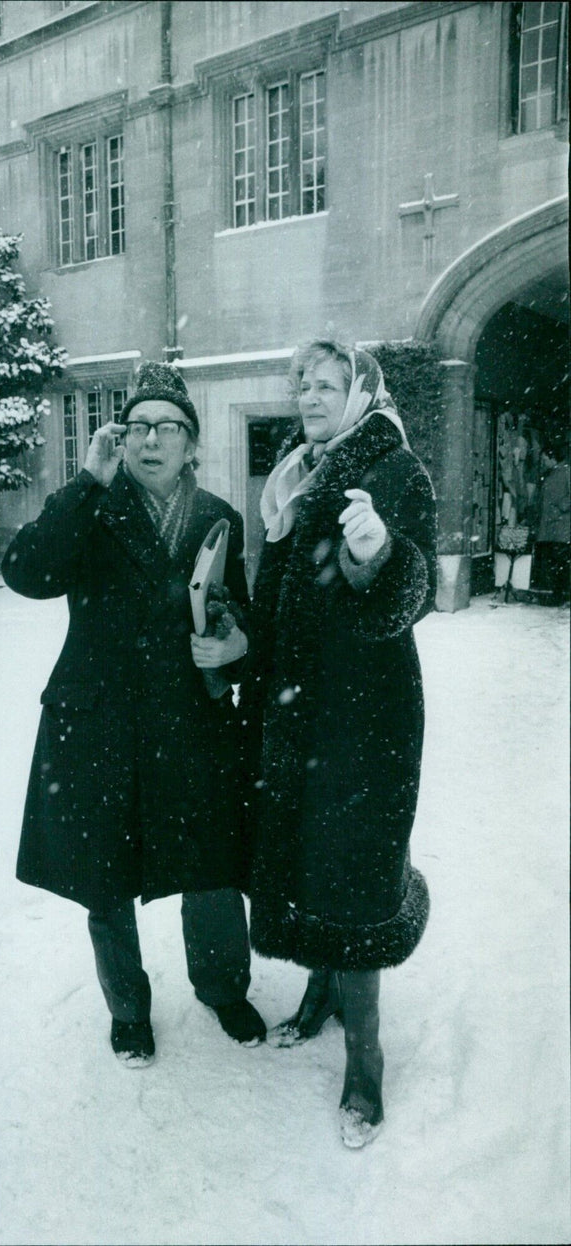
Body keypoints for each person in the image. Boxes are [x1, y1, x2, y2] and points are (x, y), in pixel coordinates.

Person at [2, 362, 266, 1067]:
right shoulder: (92, 508)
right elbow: (27, 572)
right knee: (106, 874)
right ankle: (127, 1009)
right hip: (102, 724)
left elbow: (237, 609)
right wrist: (85, 482)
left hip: (191, 721)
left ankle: (221, 986)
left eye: (168, 427)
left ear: (191, 444)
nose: (151, 440)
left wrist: (235, 644)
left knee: (210, 862)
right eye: (138, 426)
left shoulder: (217, 517)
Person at [244, 339, 437, 1147]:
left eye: (327, 383)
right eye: (302, 383)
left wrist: (377, 557)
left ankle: (366, 1064)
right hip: (298, 709)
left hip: (366, 716)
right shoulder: (295, 474)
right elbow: (277, 592)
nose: (311, 395)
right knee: (304, 859)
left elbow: (411, 596)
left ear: (360, 389)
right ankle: (321, 995)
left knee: (354, 875)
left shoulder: (395, 471)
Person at [530, 440, 570, 605]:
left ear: (552, 457)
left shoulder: (566, 471)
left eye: (545, 459)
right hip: (548, 525)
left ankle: (562, 594)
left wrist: (562, 506)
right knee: (552, 561)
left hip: (561, 526)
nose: (543, 462)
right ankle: (556, 593)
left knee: (560, 561)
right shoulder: (549, 474)